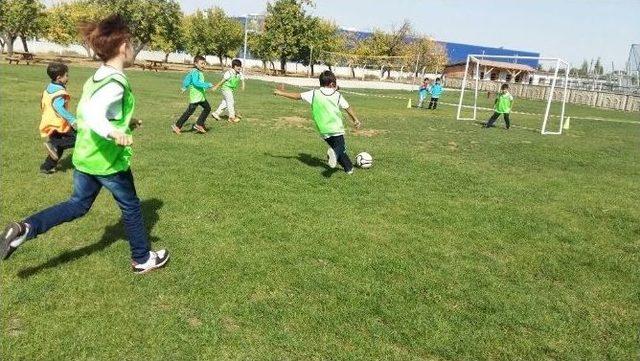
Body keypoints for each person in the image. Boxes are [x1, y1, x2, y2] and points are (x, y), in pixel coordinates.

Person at [1, 14, 169, 274]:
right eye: (132, 43)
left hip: (85, 156)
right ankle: (142, 258)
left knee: (77, 205)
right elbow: (92, 115)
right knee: (132, 206)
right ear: (124, 46)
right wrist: (114, 133)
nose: (133, 48)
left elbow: (92, 109)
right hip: (107, 161)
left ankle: (26, 229)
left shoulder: (98, 76)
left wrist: (124, 123)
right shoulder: (115, 82)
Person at [273, 70, 362, 174]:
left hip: (323, 129)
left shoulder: (314, 93)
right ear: (332, 84)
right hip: (336, 127)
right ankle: (335, 154)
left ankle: (349, 169)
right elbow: (347, 107)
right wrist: (355, 119)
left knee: (338, 150)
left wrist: (281, 93)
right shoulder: (337, 95)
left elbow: (297, 96)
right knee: (340, 148)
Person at [39, 62, 77, 174]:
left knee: (56, 149)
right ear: (59, 77)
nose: (68, 77)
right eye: (66, 75)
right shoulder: (59, 92)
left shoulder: (49, 88)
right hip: (58, 124)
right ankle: (53, 145)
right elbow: (58, 108)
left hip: (48, 122)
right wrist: (72, 119)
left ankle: (47, 167)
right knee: (78, 139)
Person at [172, 55, 213, 134]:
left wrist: (184, 87)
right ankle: (177, 126)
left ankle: (199, 124)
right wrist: (207, 84)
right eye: (202, 63)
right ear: (196, 64)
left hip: (200, 96)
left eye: (204, 63)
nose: (203, 65)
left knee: (207, 108)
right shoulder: (195, 72)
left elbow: (188, 79)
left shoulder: (196, 71)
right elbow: (195, 82)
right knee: (189, 112)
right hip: (196, 97)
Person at [210, 59, 245, 123]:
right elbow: (222, 81)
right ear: (234, 66)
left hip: (230, 90)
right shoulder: (229, 73)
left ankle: (216, 113)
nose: (239, 67)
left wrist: (243, 86)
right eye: (237, 66)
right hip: (226, 89)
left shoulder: (239, 73)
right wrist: (216, 86)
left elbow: (242, 79)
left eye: (240, 66)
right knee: (231, 102)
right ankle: (232, 117)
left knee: (225, 103)